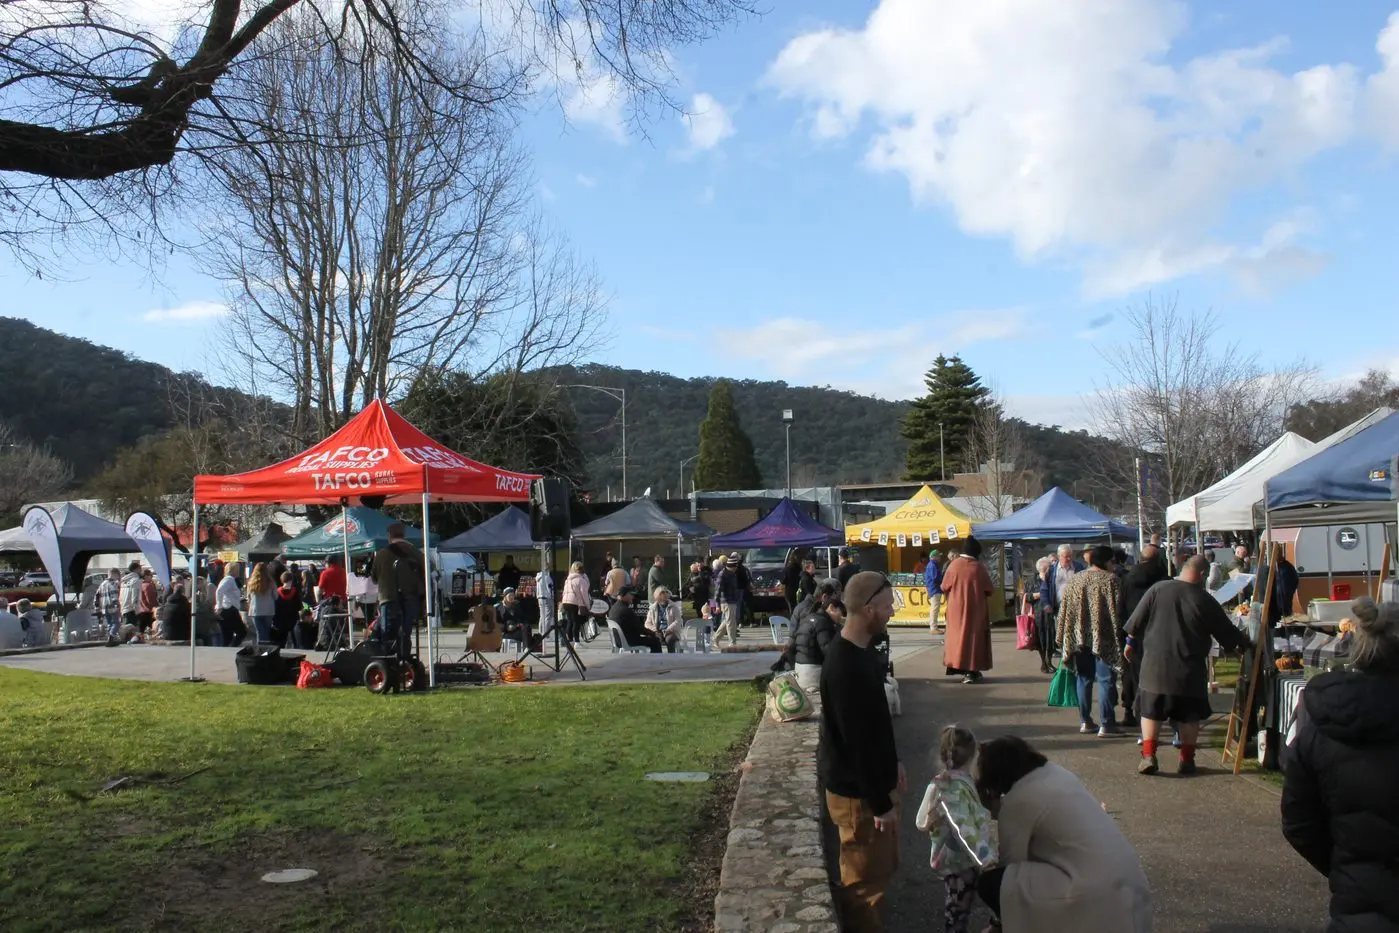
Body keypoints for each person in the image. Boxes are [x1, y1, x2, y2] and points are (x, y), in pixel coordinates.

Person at [1282, 598, 1399, 931]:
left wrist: (1347, 866)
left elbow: (1299, 822)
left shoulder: (1323, 724)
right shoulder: (1326, 722)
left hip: (1359, 903)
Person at [974, 735, 1152, 932]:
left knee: (991, 883)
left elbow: (1010, 864)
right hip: (1130, 887)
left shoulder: (1018, 801)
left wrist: (990, 805)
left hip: (1094, 894)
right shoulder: (1056, 773)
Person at [821, 570, 904, 932]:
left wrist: (894, 762)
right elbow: (857, 744)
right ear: (868, 609)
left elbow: (874, 726)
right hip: (859, 799)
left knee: (878, 874)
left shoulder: (860, 653)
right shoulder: (844, 665)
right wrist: (880, 803)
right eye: (887, 607)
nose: (891, 613)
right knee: (863, 888)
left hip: (869, 790)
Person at [1124, 554, 1247, 775]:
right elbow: (1229, 635)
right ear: (1202, 575)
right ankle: (1187, 760)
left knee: (1151, 712)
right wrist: (1245, 644)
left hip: (1155, 666)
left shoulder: (1157, 589)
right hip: (1189, 669)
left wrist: (1130, 643)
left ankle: (1149, 755)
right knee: (1189, 715)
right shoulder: (1204, 599)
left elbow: (1135, 622)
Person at [916, 725, 995, 933]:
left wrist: (934, 818)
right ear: (973, 755)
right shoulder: (953, 789)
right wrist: (985, 858)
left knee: (957, 906)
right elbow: (964, 828)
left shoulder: (941, 783)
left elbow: (921, 821)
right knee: (958, 911)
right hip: (965, 860)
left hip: (954, 859)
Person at [1057, 545, 1123, 737]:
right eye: (1112, 561)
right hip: (1104, 637)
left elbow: (1066, 609)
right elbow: (1118, 610)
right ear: (1104, 561)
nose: (1114, 565)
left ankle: (1085, 721)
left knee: (1084, 678)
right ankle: (1107, 724)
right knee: (1105, 680)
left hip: (1079, 637)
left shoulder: (1076, 579)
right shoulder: (1111, 581)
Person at [1116, 542, 1167, 727]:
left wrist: (1122, 632)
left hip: (1132, 632)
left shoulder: (1128, 579)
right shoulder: (1163, 578)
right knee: (1157, 673)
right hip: (1158, 630)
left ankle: (1131, 709)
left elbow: (1121, 607)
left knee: (1131, 673)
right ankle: (1154, 711)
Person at [941, 537, 993, 685]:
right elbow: (989, 589)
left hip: (956, 609)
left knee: (957, 638)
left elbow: (944, 586)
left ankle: (957, 666)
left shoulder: (953, 565)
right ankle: (972, 670)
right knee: (974, 640)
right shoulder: (979, 567)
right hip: (976, 610)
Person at [372, 523, 425, 659]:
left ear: (389, 536)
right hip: (410, 598)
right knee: (405, 633)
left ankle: (389, 663)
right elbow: (429, 568)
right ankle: (405, 660)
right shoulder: (415, 552)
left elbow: (374, 578)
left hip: (388, 598)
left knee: (388, 634)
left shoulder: (382, 554)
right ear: (404, 535)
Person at [792, 581, 843, 693]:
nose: (840, 618)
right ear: (832, 608)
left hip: (799, 671)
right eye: (841, 614)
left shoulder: (810, 617)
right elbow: (829, 652)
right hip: (813, 674)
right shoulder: (823, 622)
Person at [608, 586, 661, 652]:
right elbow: (639, 629)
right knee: (655, 641)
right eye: (631, 595)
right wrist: (654, 633)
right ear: (624, 595)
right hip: (629, 641)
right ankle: (657, 661)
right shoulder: (626, 611)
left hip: (617, 641)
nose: (633, 597)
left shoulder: (613, 608)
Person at [1031, 557, 1057, 674]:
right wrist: (1038, 594)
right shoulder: (1033, 580)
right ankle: (1043, 663)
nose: (1050, 570)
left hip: (1051, 613)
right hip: (1038, 614)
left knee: (1051, 638)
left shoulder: (1052, 579)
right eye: (1049, 568)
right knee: (1041, 639)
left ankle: (1049, 661)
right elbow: (1026, 596)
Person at [644, 586, 685, 652]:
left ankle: (671, 658)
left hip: (671, 631)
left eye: (665, 596)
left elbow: (678, 620)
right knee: (657, 639)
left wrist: (668, 629)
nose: (663, 599)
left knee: (669, 639)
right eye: (661, 597)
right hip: (658, 630)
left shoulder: (674, 606)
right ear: (657, 597)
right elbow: (647, 623)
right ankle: (658, 659)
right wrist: (655, 629)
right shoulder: (652, 608)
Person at [214, 562, 245, 647]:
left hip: (228, 609)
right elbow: (219, 591)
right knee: (242, 632)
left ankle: (226, 651)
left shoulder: (230, 580)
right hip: (228, 609)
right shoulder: (229, 579)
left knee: (227, 636)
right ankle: (231, 648)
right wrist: (219, 606)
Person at [714, 554, 742, 647]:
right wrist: (717, 605)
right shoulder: (723, 574)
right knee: (731, 622)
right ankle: (732, 642)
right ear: (731, 566)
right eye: (735, 566)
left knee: (727, 621)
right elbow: (717, 591)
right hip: (726, 601)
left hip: (733, 601)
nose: (736, 568)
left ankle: (715, 639)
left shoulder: (732, 574)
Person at [560, 562, 591, 646]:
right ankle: (577, 642)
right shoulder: (581, 580)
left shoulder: (568, 579)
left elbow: (564, 592)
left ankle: (570, 640)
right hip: (575, 603)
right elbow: (584, 594)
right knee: (576, 622)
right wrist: (587, 606)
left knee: (570, 621)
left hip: (566, 602)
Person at [245, 563, 276, 645]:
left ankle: (260, 649)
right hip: (269, 610)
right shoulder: (271, 582)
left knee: (259, 631)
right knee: (266, 631)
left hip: (255, 610)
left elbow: (248, 597)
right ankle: (266, 650)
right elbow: (276, 596)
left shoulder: (251, 583)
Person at [272, 572, 301, 648]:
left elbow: (275, 606)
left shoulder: (277, 592)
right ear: (291, 580)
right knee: (295, 640)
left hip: (280, 620)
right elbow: (299, 607)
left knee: (281, 642)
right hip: (292, 619)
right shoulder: (295, 592)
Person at [97, 567, 122, 643]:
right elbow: (114, 595)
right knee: (116, 623)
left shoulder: (102, 584)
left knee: (109, 623)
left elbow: (97, 595)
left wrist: (97, 606)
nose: (118, 577)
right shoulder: (113, 583)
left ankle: (110, 637)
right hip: (112, 606)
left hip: (104, 607)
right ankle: (111, 636)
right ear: (114, 574)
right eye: (118, 575)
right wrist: (117, 605)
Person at [924, 551, 945, 634]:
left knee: (935, 608)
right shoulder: (933, 565)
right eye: (938, 556)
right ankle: (933, 627)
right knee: (935, 608)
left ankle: (934, 626)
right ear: (934, 557)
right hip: (934, 589)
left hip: (934, 589)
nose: (940, 558)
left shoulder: (932, 565)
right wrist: (943, 579)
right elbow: (935, 578)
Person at [118, 560, 142, 633]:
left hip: (124, 608)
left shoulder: (124, 581)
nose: (141, 570)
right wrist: (137, 611)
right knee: (131, 632)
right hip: (132, 610)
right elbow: (135, 596)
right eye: (140, 568)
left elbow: (120, 596)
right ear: (136, 569)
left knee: (126, 631)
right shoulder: (136, 580)